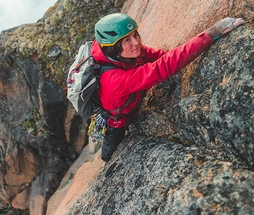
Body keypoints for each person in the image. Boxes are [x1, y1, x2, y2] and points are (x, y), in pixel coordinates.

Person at [91, 13, 245, 162]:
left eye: (135, 35)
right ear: (113, 48)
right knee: (109, 153)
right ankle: (105, 158)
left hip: (131, 102)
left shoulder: (125, 53)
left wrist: (198, 44)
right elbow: (163, 67)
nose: (136, 42)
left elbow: (164, 57)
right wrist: (212, 33)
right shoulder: (113, 80)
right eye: (127, 40)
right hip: (117, 120)